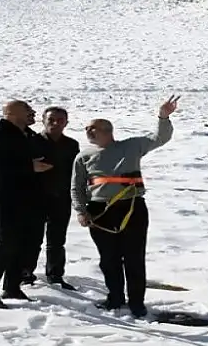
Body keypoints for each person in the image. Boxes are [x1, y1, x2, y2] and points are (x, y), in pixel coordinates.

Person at [71, 95, 179, 318]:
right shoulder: (83, 156)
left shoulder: (132, 146)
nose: (89, 131)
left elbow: (160, 137)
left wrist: (163, 116)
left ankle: (137, 303)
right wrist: (81, 211)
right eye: (87, 128)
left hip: (131, 209)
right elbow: (76, 187)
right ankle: (115, 298)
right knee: (108, 259)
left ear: (108, 131)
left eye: (94, 128)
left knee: (134, 258)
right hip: (99, 212)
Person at [0, 99, 52, 308]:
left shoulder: (30, 137)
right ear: (12, 114)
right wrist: (29, 166)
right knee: (5, 244)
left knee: (24, 244)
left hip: (30, 197)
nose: (32, 112)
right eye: (27, 110)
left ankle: (12, 286)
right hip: (4, 197)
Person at [21, 106, 81, 289]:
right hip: (35, 198)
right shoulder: (31, 141)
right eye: (51, 120)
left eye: (60, 120)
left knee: (57, 240)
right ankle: (25, 273)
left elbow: (76, 172)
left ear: (66, 123)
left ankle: (55, 275)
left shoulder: (71, 145)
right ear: (43, 120)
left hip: (61, 198)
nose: (55, 123)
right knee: (32, 239)